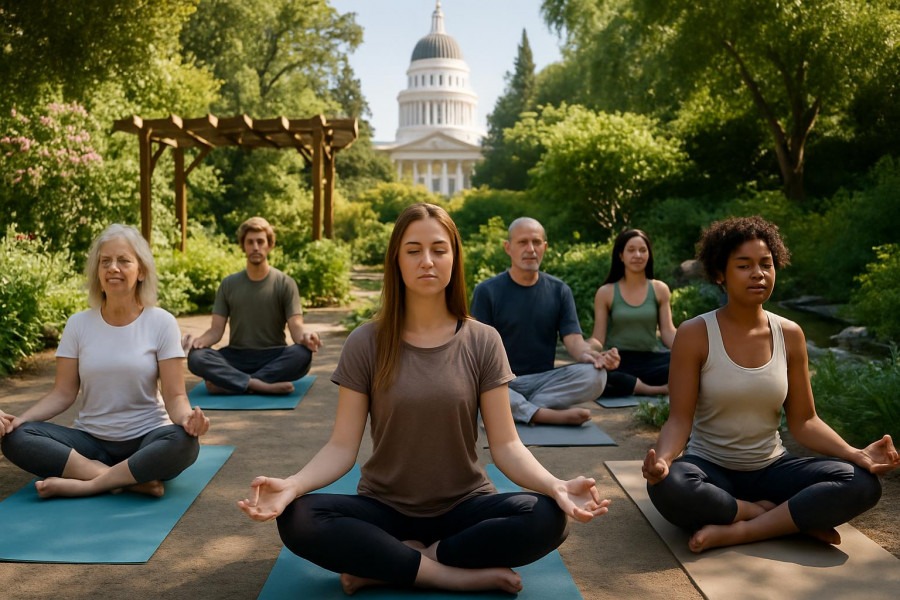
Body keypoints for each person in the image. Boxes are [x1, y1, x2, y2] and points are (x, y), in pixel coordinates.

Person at [238, 203, 610, 595]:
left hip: (465, 508)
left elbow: (506, 445)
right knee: (299, 518)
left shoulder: (483, 340)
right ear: (396, 260)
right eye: (413, 250)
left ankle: (395, 563)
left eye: (439, 249)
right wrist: (293, 486)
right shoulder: (366, 342)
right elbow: (342, 447)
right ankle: (448, 574)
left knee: (548, 518)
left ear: (454, 257)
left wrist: (555, 486)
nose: (427, 261)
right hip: (384, 509)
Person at [642, 216, 898, 553]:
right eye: (744, 265)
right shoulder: (695, 333)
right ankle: (773, 517)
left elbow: (805, 421)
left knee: (862, 484)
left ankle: (742, 530)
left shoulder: (790, 334)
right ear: (721, 274)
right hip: (710, 469)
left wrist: (856, 454)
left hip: (772, 468)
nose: (758, 274)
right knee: (668, 486)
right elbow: (679, 419)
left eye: (766, 264)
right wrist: (662, 460)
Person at [0, 224, 210, 498]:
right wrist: (20, 421)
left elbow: (175, 395)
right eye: (105, 261)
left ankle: (88, 483)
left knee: (185, 443)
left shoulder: (162, 323)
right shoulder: (78, 324)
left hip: (146, 441)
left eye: (124, 260)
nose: (113, 268)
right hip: (90, 441)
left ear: (141, 271)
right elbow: (63, 393)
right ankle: (128, 480)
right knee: (15, 438)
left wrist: (188, 420)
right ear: (97, 272)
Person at [471, 217, 620, 425]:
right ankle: (543, 414)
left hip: (545, 382)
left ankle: (524, 408)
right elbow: (477, 350)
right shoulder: (487, 291)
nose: (531, 249)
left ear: (545, 247)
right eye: (522, 242)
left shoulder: (560, 290)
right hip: (502, 381)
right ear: (508, 247)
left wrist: (594, 357)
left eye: (536, 242)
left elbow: (574, 342)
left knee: (596, 375)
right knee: (476, 382)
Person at [183, 216, 321, 395]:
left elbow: (296, 328)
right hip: (236, 357)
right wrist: (198, 342)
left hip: (274, 356)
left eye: (260, 241)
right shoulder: (228, 284)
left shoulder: (285, 283)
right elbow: (216, 331)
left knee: (302, 354)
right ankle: (260, 385)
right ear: (243, 246)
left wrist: (307, 336)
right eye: (250, 242)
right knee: (196, 357)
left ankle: (233, 384)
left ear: (270, 245)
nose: (255, 247)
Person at [589, 229, 676, 398]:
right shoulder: (606, 292)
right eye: (631, 250)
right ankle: (656, 390)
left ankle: (634, 386)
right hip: (619, 362)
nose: (637, 255)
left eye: (643, 250)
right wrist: (587, 351)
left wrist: (690, 349)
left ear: (649, 255)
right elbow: (598, 338)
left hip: (652, 361)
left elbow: (667, 332)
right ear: (621, 255)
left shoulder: (660, 289)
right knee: (594, 374)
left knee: (686, 366)